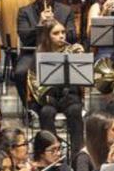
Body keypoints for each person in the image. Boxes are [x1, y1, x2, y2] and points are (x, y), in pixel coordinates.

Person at [15, 0, 77, 105]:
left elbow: (72, 37)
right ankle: (30, 108)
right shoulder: (25, 12)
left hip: (59, 52)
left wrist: (55, 25)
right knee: (20, 73)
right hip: (32, 52)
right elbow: (25, 38)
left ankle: (65, 104)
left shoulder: (66, 11)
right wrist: (39, 24)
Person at [29, 21, 86, 156]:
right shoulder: (40, 54)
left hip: (70, 97)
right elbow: (32, 79)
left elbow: (82, 80)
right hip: (49, 97)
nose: (61, 36)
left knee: (75, 110)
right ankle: (53, 152)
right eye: (56, 33)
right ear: (47, 37)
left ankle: (78, 156)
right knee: (46, 112)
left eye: (63, 32)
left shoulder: (73, 51)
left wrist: (81, 59)